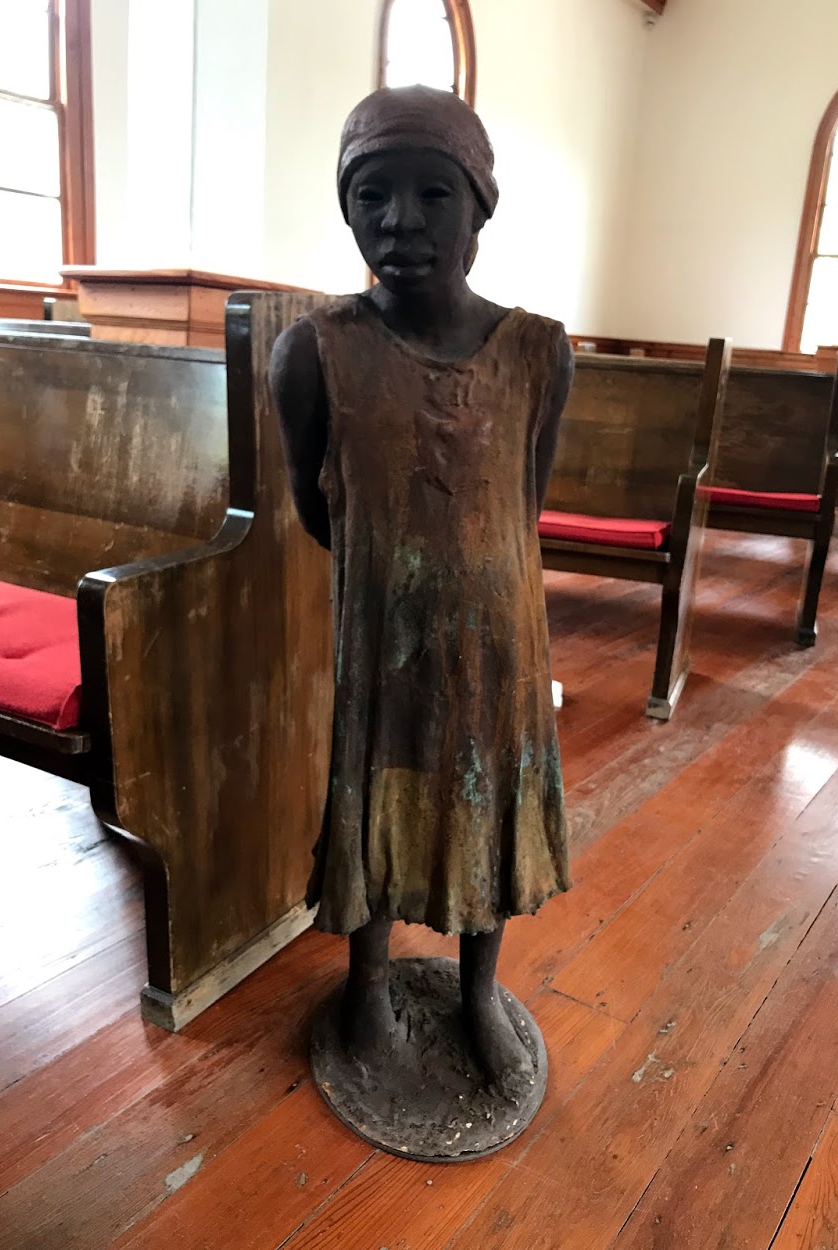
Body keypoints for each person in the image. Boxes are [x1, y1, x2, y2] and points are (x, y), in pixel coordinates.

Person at [269, 84, 572, 1087]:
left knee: (489, 802)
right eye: (372, 194)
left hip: (499, 639)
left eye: (432, 193)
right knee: (376, 795)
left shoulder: (537, 351)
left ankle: (479, 993)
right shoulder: (315, 352)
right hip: (382, 641)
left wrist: (467, 574)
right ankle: (367, 985)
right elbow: (320, 508)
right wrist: (398, 580)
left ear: (478, 207)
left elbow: (521, 503)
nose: (399, 220)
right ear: (347, 208)